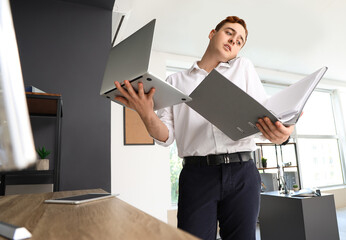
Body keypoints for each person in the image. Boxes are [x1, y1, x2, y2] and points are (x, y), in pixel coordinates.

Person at [114, 16, 294, 240]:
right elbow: (166, 136)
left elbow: (263, 115)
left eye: (239, 41)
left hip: (243, 173)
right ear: (212, 33)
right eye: (229, 33)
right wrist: (146, 113)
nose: (233, 41)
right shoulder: (176, 81)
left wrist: (281, 134)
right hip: (197, 175)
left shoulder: (244, 68)